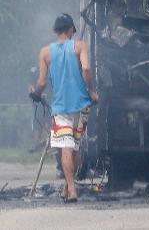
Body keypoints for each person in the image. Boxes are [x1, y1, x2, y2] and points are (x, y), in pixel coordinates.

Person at [28, 13, 99, 203]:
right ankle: (68, 187)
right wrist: (91, 92)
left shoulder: (45, 53)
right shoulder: (80, 46)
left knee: (65, 149)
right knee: (73, 148)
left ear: (56, 31)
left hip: (61, 107)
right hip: (83, 105)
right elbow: (86, 69)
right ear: (70, 30)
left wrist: (35, 92)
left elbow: (42, 82)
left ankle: (72, 190)